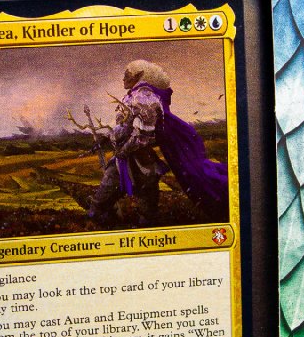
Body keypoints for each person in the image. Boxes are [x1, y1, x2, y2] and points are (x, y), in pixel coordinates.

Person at [87, 59, 228, 226]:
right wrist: (107, 137)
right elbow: (125, 127)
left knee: (145, 202)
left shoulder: (144, 97)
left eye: (127, 75)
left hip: (141, 158)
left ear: (139, 75)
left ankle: (143, 229)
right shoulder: (133, 95)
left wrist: (123, 151)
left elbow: (143, 134)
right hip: (130, 157)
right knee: (108, 195)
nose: (123, 79)